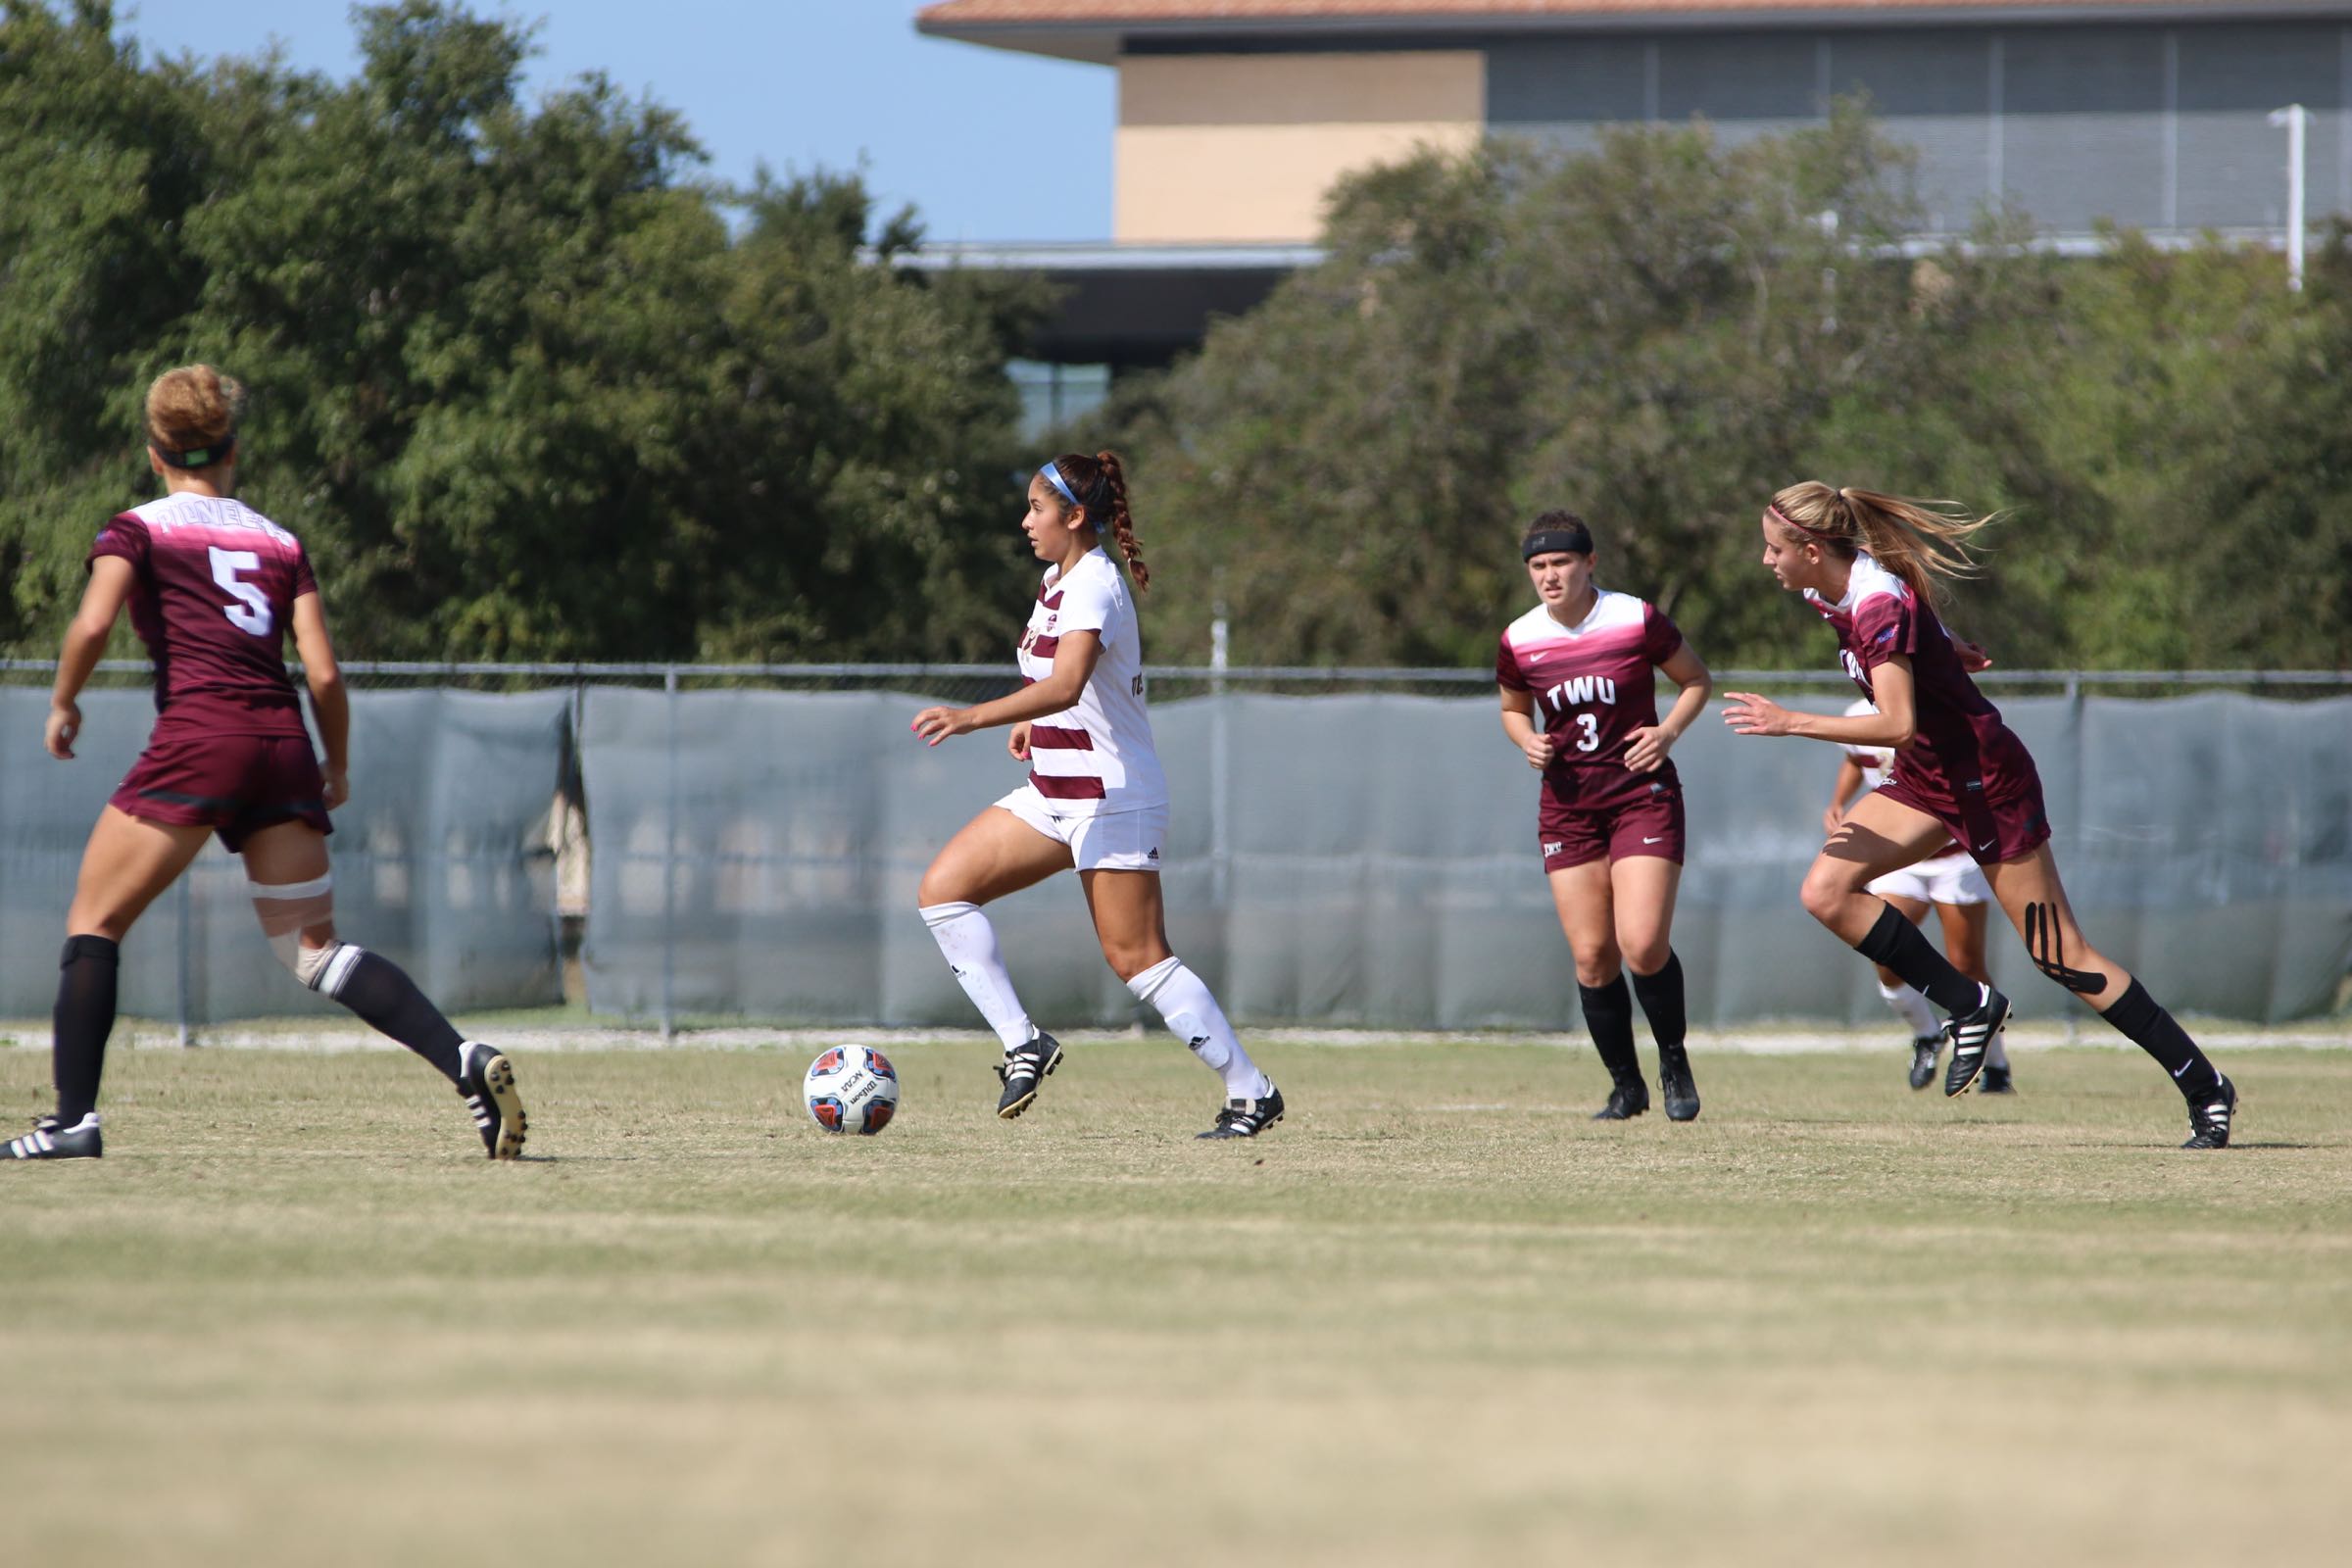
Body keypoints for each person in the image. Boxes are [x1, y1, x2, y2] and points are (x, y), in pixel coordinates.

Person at [6, 366, 525, 1161]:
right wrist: (336, 763)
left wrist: (64, 700)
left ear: (155, 453)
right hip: (281, 744)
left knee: (95, 922)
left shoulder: (139, 528)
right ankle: (463, 1059)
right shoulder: (280, 542)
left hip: (198, 737)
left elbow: (91, 622)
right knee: (312, 952)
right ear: (234, 449)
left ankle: (73, 1121)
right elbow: (321, 672)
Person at [1724, 482, 2234, 1149]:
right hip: (1927, 782)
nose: (1767, 561)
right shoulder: (1841, 594)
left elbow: (1899, 722)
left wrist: (1790, 721)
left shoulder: (1875, 600)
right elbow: (1915, 648)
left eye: (1774, 549)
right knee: (1825, 890)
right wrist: (1943, 650)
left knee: (2063, 957)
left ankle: (2205, 1087)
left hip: (1987, 784)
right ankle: (1969, 1005)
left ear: (1813, 550)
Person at [910, 451, 1282, 1139]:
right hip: (1055, 792)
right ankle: (1025, 1043)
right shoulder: (1057, 579)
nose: (1026, 522)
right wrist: (1029, 720)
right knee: (942, 891)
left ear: (1076, 517)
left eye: (1037, 510)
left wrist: (973, 715)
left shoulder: (1095, 585)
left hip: (1112, 798)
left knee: (1136, 959)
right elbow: (1053, 683)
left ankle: (1251, 1091)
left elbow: (1068, 683)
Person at [1496, 514, 1715, 1121]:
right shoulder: (1520, 637)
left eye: (1561, 563)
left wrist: (1667, 731)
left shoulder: (1633, 618)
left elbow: (1696, 680)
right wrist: (1525, 740)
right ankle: (1626, 1086)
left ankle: (1673, 1060)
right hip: (1568, 808)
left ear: (1590, 561)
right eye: (1538, 567)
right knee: (1594, 956)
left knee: (1642, 944)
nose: (1549, 576)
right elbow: (1513, 709)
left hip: (1640, 796)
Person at [1827, 698, 2014, 1093]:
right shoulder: (1857, 714)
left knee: (1967, 964)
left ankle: (1996, 1066)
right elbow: (1856, 759)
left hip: (1954, 856)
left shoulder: (1933, 703)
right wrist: (1838, 802)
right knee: (1887, 956)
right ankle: (1928, 1034)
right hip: (1899, 858)